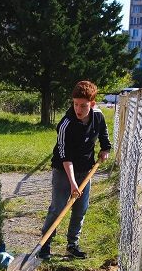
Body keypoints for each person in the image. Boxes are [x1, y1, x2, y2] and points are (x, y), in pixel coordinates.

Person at [39, 80, 111, 260]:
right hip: (63, 170)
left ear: (92, 104)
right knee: (58, 208)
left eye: (83, 105)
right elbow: (65, 156)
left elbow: (103, 132)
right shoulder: (66, 124)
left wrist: (105, 148)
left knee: (80, 209)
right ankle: (44, 244)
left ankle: (72, 245)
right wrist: (72, 183)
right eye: (75, 104)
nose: (78, 109)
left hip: (86, 170)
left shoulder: (98, 116)